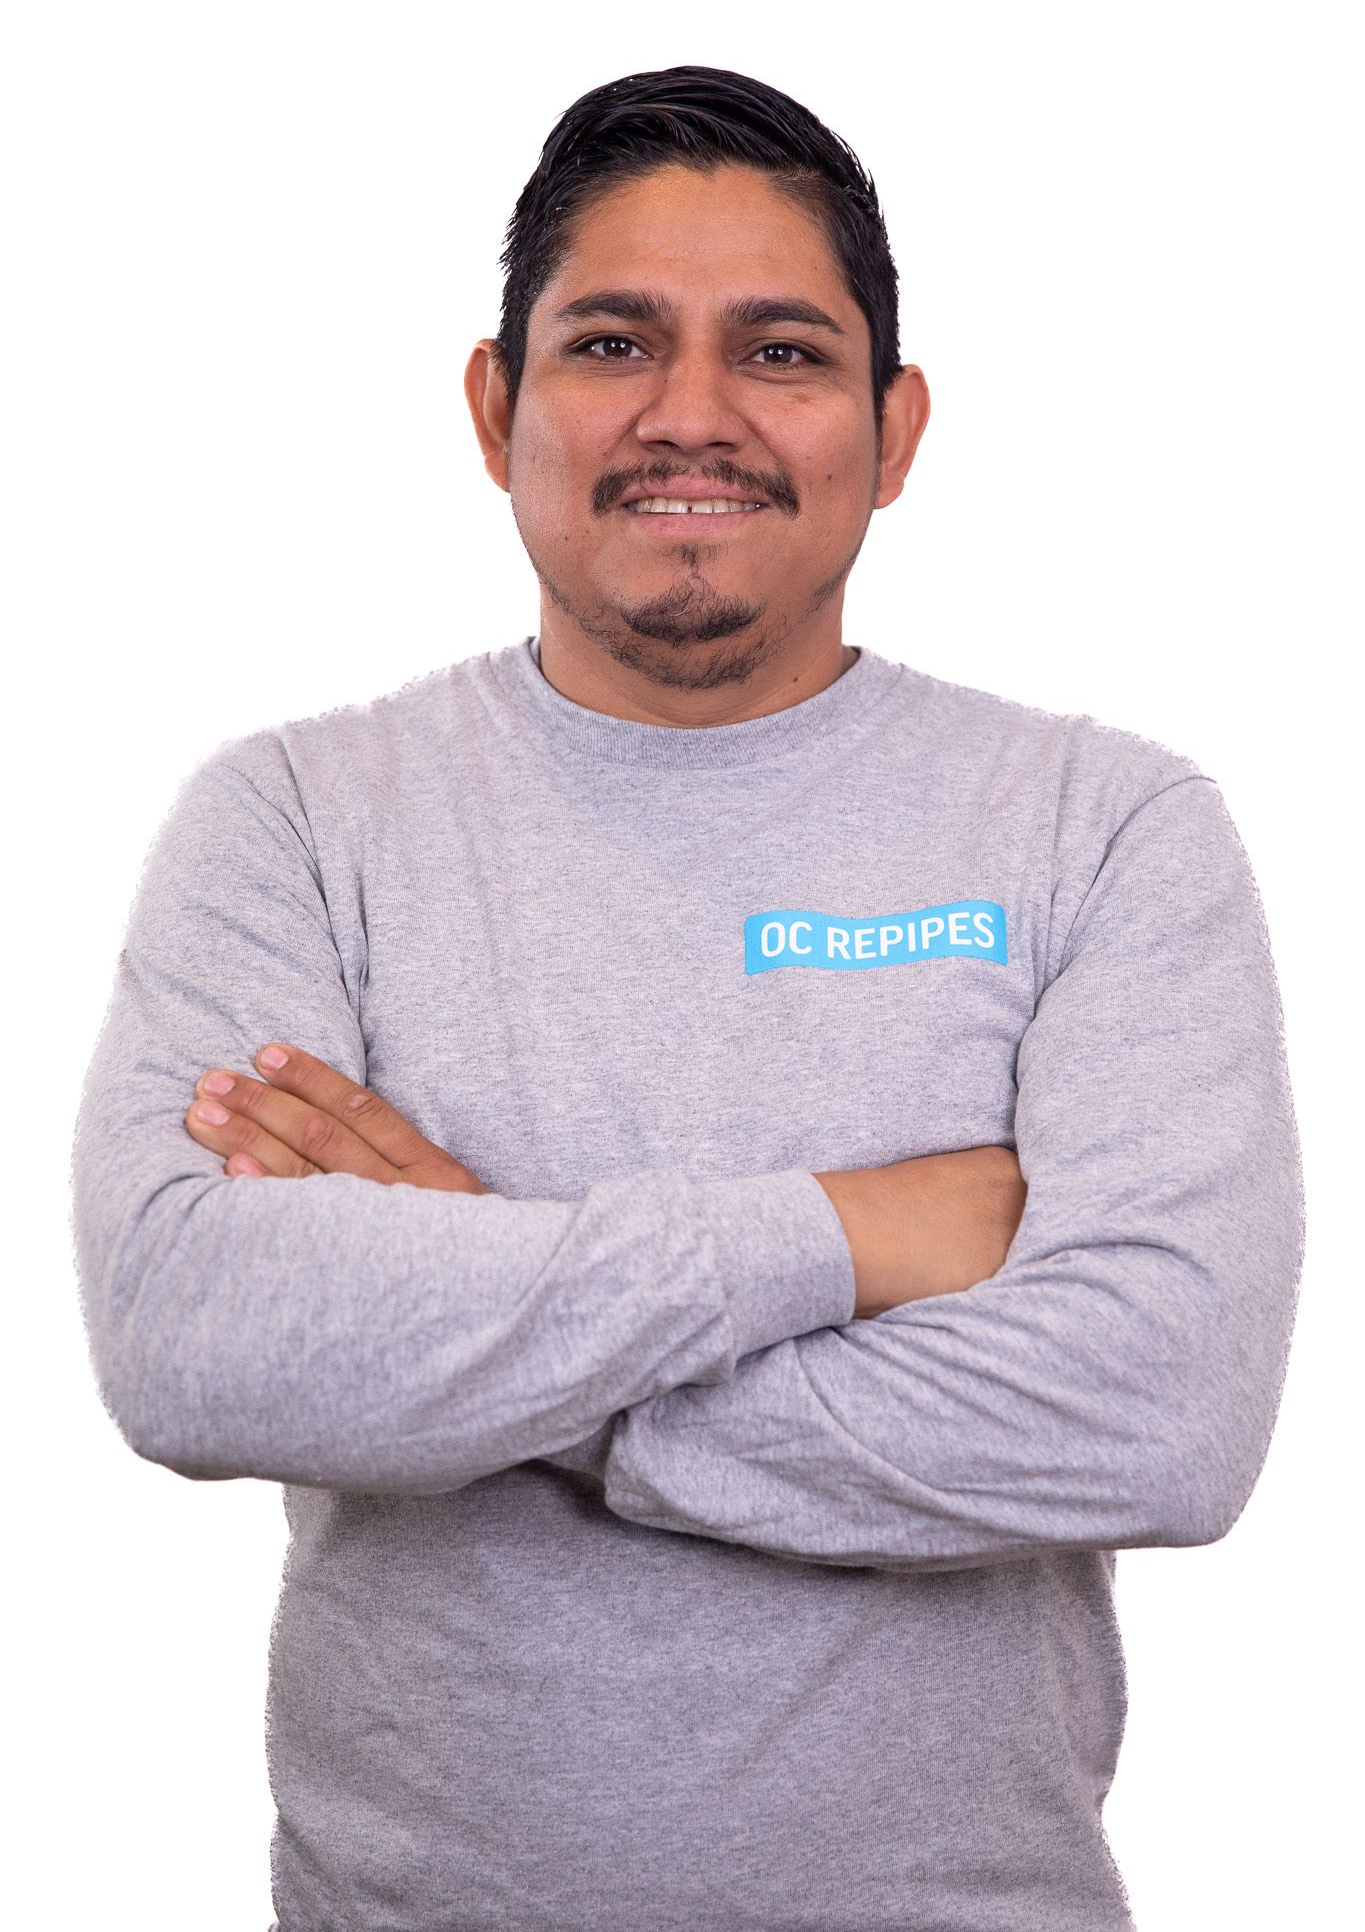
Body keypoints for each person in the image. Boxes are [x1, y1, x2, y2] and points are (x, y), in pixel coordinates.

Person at [70, 63, 1304, 1932]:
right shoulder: (302, 819)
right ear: (499, 411)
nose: (691, 417)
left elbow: (1157, 1410)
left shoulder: (1100, 826)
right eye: (614, 341)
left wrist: (503, 1333)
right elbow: (191, 1337)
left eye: (784, 353)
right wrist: (846, 1233)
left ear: (895, 432)